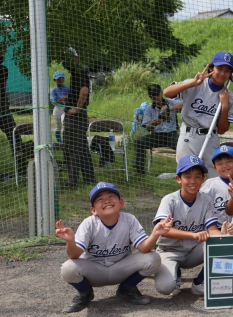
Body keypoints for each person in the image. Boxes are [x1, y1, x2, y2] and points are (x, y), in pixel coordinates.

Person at [56, 181, 173, 313]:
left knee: (153, 258)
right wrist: (71, 241)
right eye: (100, 199)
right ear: (93, 210)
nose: (106, 201)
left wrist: (155, 233)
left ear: (121, 203)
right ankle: (85, 294)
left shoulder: (129, 219)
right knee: (68, 267)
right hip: (95, 271)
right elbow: (74, 255)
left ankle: (127, 288)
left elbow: (144, 248)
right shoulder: (88, 223)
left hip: (120, 269)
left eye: (111, 196)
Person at [153, 154, 233, 297]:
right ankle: (175, 273)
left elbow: (212, 230)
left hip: (193, 252)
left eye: (197, 176)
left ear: (203, 179)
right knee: (165, 288)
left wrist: (223, 235)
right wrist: (193, 234)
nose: (193, 181)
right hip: (169, 250)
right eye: (187, 176)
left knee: (221, 245)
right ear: (178, 179)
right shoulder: (169, 200)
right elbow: (163, 231)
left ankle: (200, 282)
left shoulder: (206, 200)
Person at [163, 51, 233, 176]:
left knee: (214, 177)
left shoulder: (230, 97)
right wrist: (192, 82)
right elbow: (167, 92)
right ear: (210, 68)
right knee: (188, 174)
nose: (222, 73)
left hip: (211, 137)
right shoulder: (194, 84)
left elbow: (222, 130)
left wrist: (224, 107)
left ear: (231, 73)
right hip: (188, 135)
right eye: (219, 68)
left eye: (227, 70)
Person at [61, 48, 95, 188]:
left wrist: (77, 108)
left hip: (76, 116)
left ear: (75, 59)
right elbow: (78, 91)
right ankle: (89, 178)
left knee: (71, 147)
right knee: (81, 147)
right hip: (78, 115)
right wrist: (68, 98)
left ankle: (72, 181)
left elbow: (84, 91)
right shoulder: (76, 72)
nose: (64, 62)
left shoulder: (79, 71)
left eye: (66, 59)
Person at [132, 84, 182, 175]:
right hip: (156, 136)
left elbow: (185, 105)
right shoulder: (149, 108)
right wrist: (152, 124)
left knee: (184, 145)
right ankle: (139, 170)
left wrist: (171, 109)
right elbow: (147, 127)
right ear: (150, 97)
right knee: (139, 141)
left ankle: (185, 169)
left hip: (172, 135)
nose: (156, 99)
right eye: (153, 97)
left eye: (157, 96)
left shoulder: (170, 102)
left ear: (161, 93)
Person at [200, 144, 233, 228]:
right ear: (215, 167)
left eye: (229, 161)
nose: (224, 166)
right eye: (219, 163)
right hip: (215, 229)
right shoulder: (209, 185)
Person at [0, 50, 22, 169]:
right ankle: (21, 166)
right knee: (14, 135)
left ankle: (21, 166)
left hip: (2, 108)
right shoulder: (3, 69)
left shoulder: (3, 69)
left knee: (14, 134)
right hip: (2, 108)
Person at [50, 70, 70, 143]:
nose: (60, 80)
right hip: (57, 109)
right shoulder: (54, 90)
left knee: (64, 121)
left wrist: (64, 98)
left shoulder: (67, 88)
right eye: (58, 79)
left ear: (64, 79)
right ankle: (59, 142)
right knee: (58, 127)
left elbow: (71, 96)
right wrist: (65, 98)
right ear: (54, 80)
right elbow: (54, 101)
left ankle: (67, 140)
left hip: (65, 108)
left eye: (62, 78)